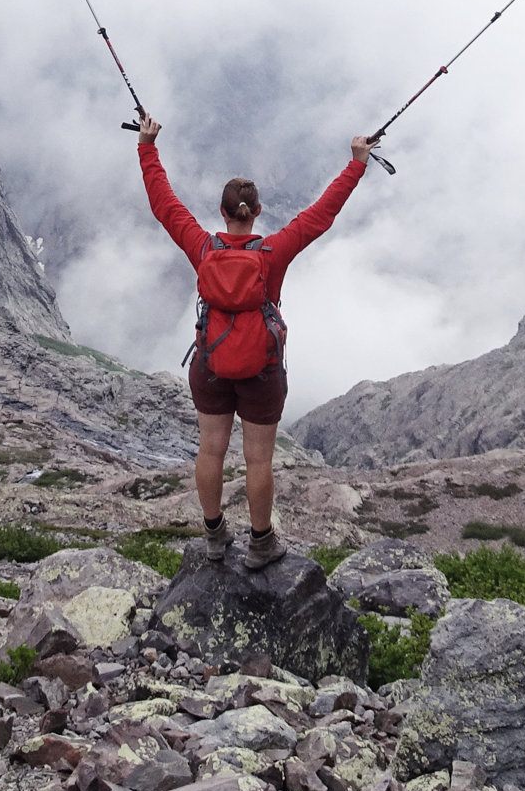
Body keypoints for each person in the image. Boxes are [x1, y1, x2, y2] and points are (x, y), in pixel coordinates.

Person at [137, 114, 371, 568]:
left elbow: (164, 204)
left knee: (211, 449)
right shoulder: (273, 253)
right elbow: (321, 215)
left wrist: (147, 147)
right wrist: (356, 163)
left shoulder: (202, 247)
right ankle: (261, 544)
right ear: (258, 212)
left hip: (210, 364)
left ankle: (214, 536)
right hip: (262, 369)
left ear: (222, 212)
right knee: (258, 460)